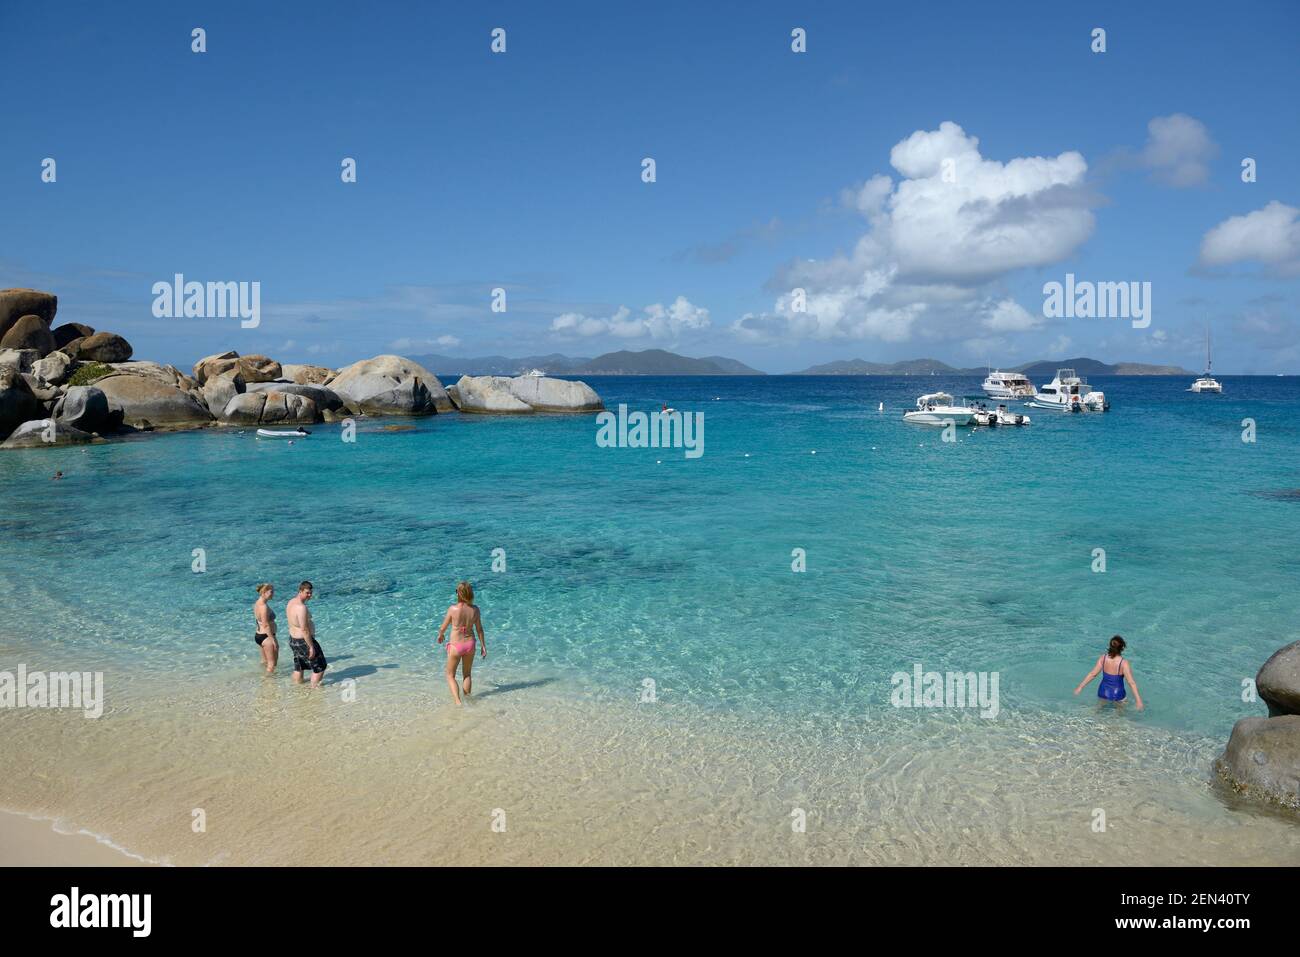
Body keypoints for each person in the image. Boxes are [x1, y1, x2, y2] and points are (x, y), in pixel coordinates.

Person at [436, 581, 486, 705]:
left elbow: (443, 627)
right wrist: (483, 646)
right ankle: (468, 700)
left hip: (455, 645)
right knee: (467, 674)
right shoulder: (475, 610)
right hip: (470, 644)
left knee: (450, 675)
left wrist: (441, 635)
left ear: (458, 593)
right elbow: (479, 629)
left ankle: (458, 702)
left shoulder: (453, 609)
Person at [1074, 635, 1143, 710]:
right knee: (1119, 716)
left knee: (1098, 711)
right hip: (1117, 694)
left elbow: (1092, 674)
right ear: (1122, 648)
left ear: (1110, 646)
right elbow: (1131, 682)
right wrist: (1138, 700)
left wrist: (1080, 687)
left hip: (1103, 691)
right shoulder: (1123, 663)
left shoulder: (1103, 658)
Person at [286, 580, 327, 688]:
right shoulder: (301, 608)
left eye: (310, 593)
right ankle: (314, 690)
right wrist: (311, 646)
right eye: (307, 593)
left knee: (299, 666)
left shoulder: (291, 602)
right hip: (303, 641)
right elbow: (304, 629)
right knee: (320, 667)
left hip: (293, 640)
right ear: (300, 591)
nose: (309, 595)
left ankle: (297, 688)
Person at [253, 583, 279, 673]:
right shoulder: (263, 607)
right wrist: (273, 641)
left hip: (259, 635)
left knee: (265, 662)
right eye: (271, 592)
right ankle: (270, 684)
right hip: (267, 637)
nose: (273, 594)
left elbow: (258, 620)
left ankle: (263, 681)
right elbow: (266, 625)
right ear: (264, 592)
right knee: (272, 664)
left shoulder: (257, 603)